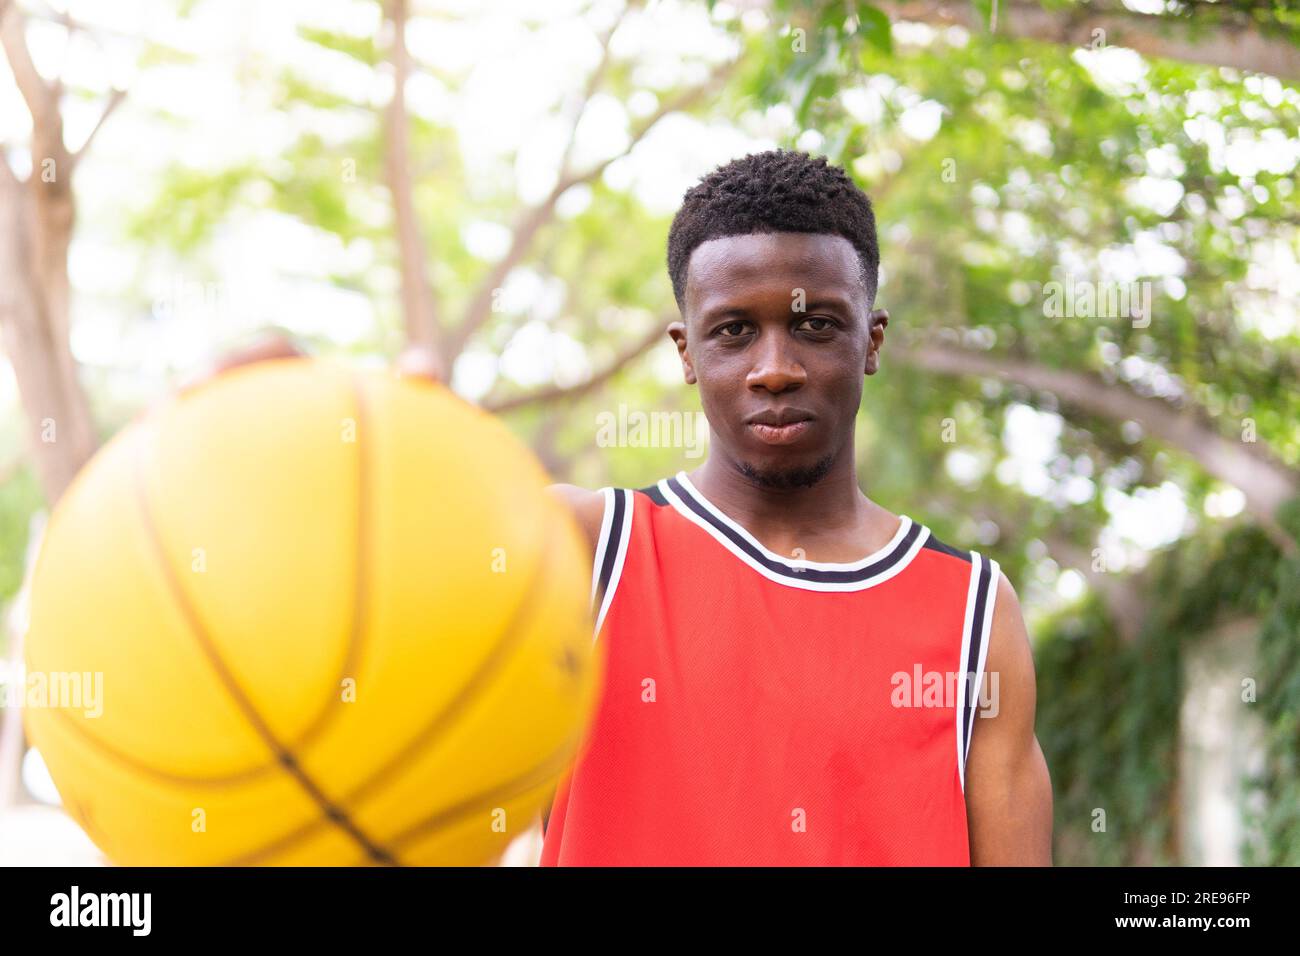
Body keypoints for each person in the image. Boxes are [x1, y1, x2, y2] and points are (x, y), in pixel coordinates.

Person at [206, 147, 1053, 866]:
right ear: (687, 353)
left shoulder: (975, 609)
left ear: (871, 340)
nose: (775, 367)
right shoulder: (584, 546)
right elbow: (356, 606)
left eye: (816, 326)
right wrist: (291, 464)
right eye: (733, 331)